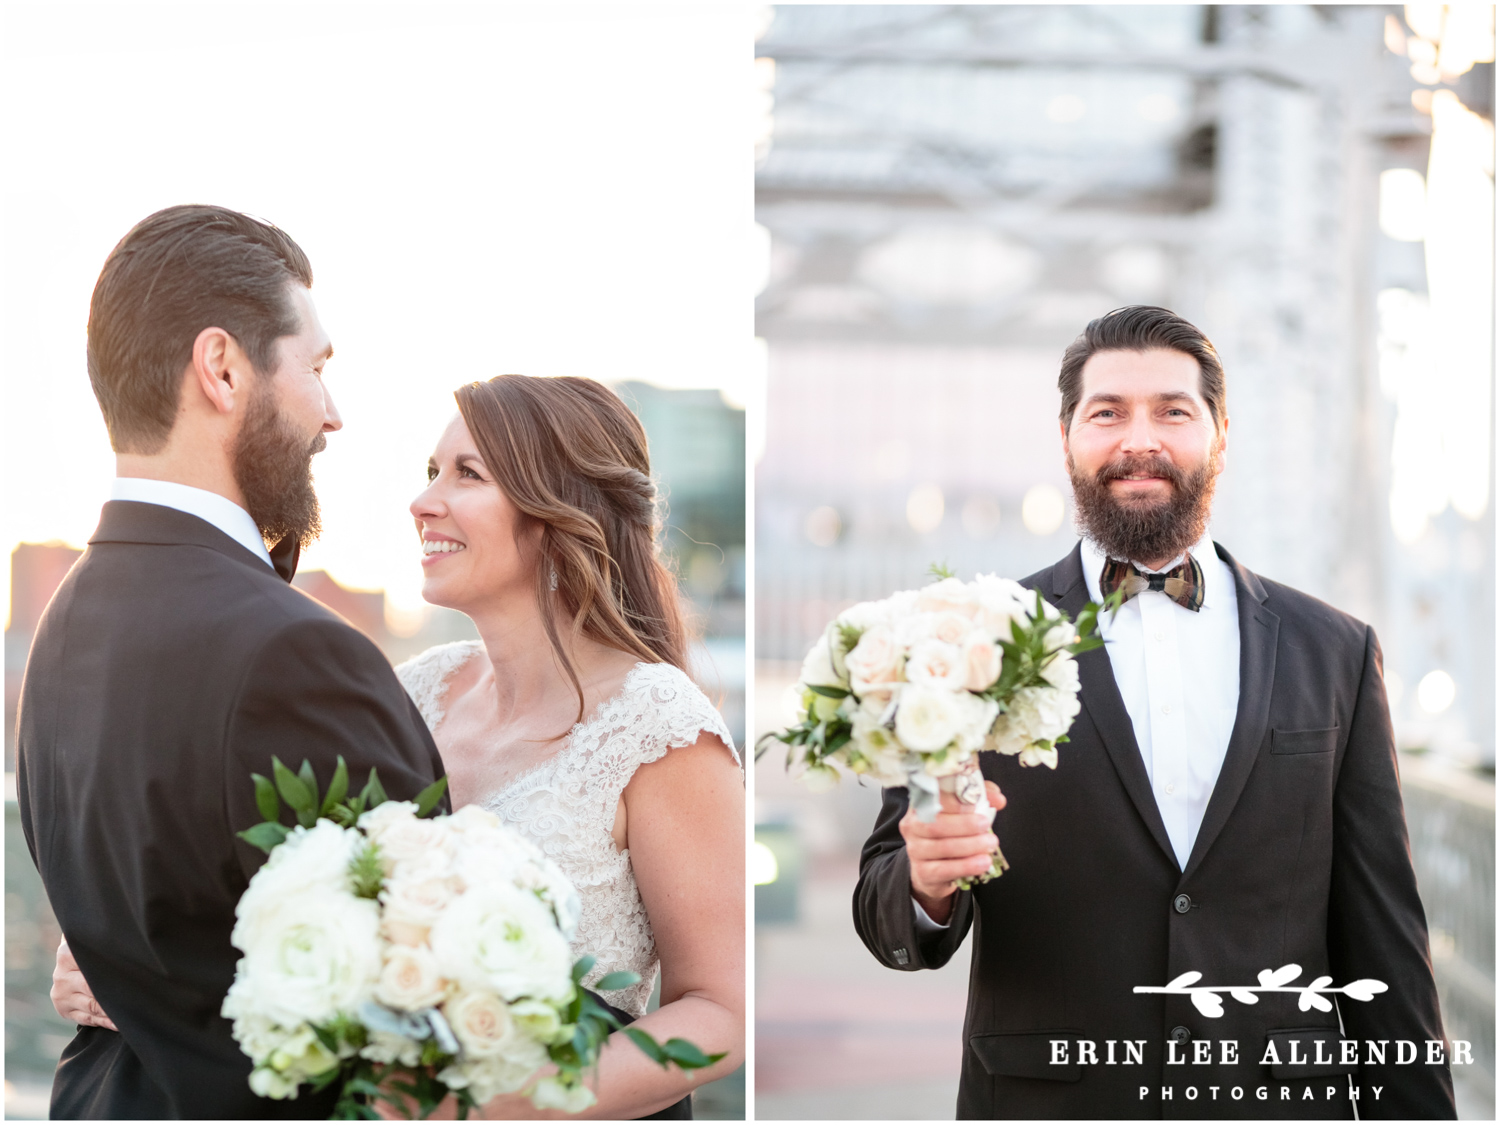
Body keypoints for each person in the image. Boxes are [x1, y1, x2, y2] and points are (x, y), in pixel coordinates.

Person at [853, 306, 1456, 1119]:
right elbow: (885, 898)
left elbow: (1384, 934)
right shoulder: (963, 644)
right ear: (1066, 435)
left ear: (1220, 434)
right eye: (1108, 413)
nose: (1141, 439)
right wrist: (926, 884)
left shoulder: (1336, 652)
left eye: (1173, 410)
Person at [18, 204, 450, 1119]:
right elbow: (423, 997)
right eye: (318, 366)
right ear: (222, 367)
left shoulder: (60, 624)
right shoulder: (294, 651)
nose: (334, 413)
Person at [391, 374, 745, 1118]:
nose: (424, 502)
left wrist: (503, 1106)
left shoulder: (656, 724)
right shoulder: (410, 694)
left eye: (468, 474)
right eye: (431, 472)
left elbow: (719, 1013)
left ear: (555, 513)